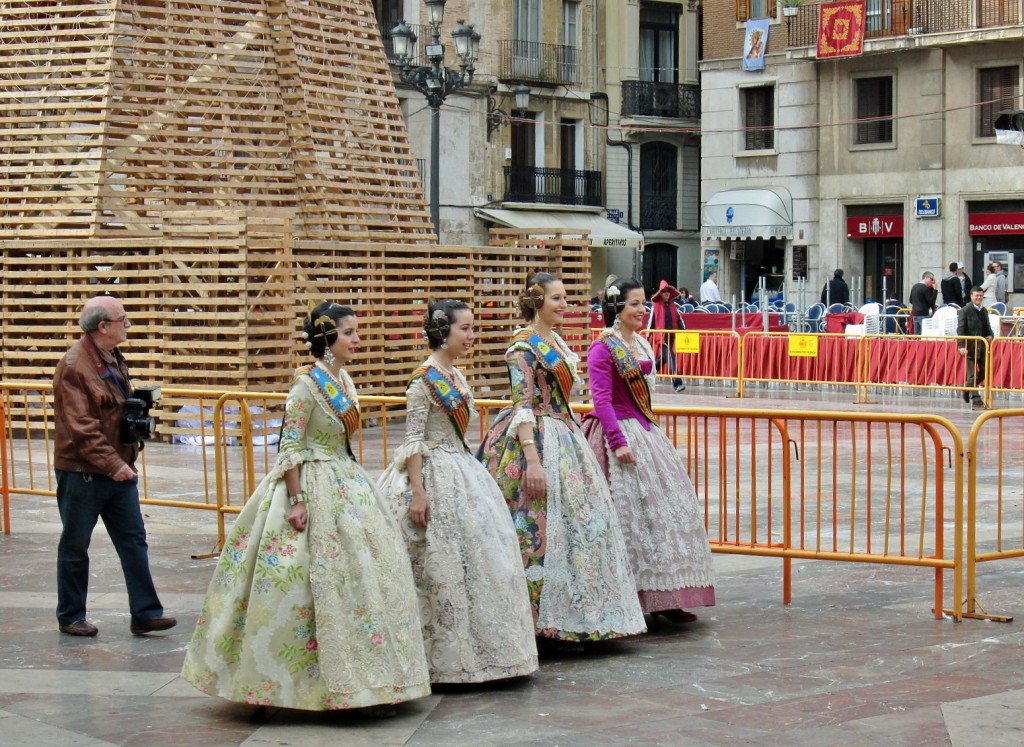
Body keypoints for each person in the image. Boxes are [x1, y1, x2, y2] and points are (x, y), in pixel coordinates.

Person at [182, 303, 430, 713]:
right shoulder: (305, 385)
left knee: (363, 579)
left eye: (355, 332)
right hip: (311, 483)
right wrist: (296, 500)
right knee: (298, 583)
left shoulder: (343, 379)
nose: (357, 340)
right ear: (328, 339)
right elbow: (290, 446)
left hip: (346, 481)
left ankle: (370, 677)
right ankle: (287, 683)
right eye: (349, 333)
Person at [478, 271, 646, 643]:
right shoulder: (523, 347)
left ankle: (578, 615)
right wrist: (532, 460)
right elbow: (522, 405)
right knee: (533, 528)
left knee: (581, 528)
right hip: (532, 438)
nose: (565, 305)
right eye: (557, 299)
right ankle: (536, 620)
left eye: (566, 298)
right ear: (537, 301)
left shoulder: (553, 341)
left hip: (564, 435)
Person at [377, 299, 538, 683]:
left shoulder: (455, 374)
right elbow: (413, 440)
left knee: (481, 563)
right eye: (463, 328)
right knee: (439, 568)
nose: (471, 336)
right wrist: (418, 492)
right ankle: (441, 660)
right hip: (433, 474)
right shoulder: (424, 380)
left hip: (463, 472)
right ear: (440, 331)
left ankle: (485, 653)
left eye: (471, 327)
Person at [582, 278, 716, 626]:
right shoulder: (602, 348)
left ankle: (665, 596)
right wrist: (617, 441)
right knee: (628, 518)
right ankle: (628, 597)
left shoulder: (641, 344)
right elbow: (602, 399)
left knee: (661, 516)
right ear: (616, 309)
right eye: (634, 304)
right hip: (616, 436)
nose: (642, 310)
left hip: (645, 432)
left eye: (644, 304)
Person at [52, 295, 176, 638]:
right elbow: (82, 428)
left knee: (134, 540)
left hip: (118, 467)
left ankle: (146, 613)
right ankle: (71, 615)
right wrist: (113, 464)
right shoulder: (76, 365)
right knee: (75, 545)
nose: (129, 325)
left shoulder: (110, 356)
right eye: (124, 319)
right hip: (84, 472)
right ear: (103, 326)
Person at [957, 286, 994, 410]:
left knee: (985, 372)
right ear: (971, 296)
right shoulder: (965, 310)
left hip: (983, 347)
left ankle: (967, 388)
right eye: (976, 295)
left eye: (980, 295)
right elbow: (960, 330)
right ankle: (976, 400)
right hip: (970, 347)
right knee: (972, 375)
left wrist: (990, 336)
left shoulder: (984, 311)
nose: (979, 298)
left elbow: (988, 328)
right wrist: (961, 346)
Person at [647, 279, 686, 392]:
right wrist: (647, 337)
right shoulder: (655, 306)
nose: (666, 293)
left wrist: (684, 331)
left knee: (663, 358)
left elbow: (679, 319)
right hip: (662, 337)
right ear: (660, 293)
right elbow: (650, 322)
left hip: (672, 336)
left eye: (668, 291)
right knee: (671, 358)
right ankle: (677, 383)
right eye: (664, 292)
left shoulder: (673, 305)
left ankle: (648, 376)